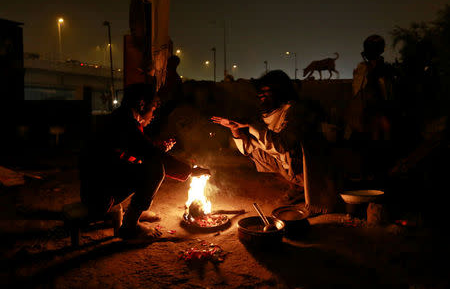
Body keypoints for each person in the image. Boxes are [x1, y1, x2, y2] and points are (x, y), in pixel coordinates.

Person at [79, 82, 209, 241]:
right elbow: (150, 155)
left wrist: (157, 149)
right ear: (141, 104)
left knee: (150, 163)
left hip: (99, 187)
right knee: (155, 169)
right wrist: (190, 171)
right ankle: (130, 225)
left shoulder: (122, 118)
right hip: (99, 196)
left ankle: (135, 212)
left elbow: (135, 151)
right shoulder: (123, 124)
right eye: (153, 109)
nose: (153, 115)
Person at [212, 70, 336, 212]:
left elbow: (282, 144)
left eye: (267, 91)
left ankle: (304, 187)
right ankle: (296, 187)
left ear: (280, 91)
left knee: (282, 148)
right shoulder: (273, 112)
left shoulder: (296, 110)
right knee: (257, 150)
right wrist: (235, 129)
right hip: (290, 167)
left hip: (312, 169)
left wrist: (251, 126)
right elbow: (250, 148)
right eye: (260, 91)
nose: (261, 95)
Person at [346, 34, 396, 180]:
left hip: (377, 110)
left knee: (379, 142)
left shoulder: (379, 68)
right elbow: (358, 90)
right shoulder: (365, 69)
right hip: (370, 111)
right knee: (374, 143)